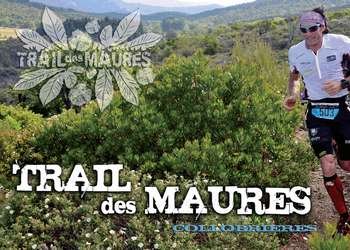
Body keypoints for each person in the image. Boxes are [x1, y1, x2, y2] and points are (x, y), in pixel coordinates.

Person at [283, 7, 350, 235]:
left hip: (342, 109)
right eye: (304, 30)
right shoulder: (296, 52)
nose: (310, 34)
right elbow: (294, 78)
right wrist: (292, 93)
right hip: (316, 112)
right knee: (327, 164)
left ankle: (338, 146)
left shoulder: (341, 43)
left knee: (346, 164)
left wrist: (342, 84)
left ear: (323, 26)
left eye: (314, 28)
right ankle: (345, 219)